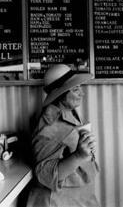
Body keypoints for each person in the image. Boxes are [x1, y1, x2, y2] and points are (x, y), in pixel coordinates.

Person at [27, 64, 100, 207]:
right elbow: (45, 173)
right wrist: (79, 155)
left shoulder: (69, 113)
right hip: (57, 201)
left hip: (76, 198)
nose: (82, 93)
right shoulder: (50, 124)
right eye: (75, 89)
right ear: (60, 93)